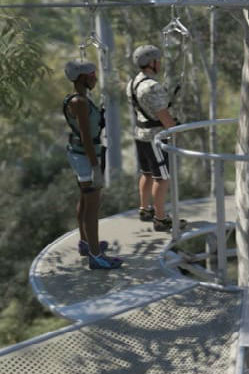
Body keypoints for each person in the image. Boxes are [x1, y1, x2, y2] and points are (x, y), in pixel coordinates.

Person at [63, 59, 122, 269]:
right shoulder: (79, 102)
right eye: (92, 74)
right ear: (82, 77)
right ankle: (96, 256)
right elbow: (87, 137)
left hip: (80, 155)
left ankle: (86, 243)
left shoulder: (79, 99)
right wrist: (95, 165)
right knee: (92, 206)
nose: (95, 78)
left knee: (84, 199)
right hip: (86, 157)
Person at [127, 45, 186, 232]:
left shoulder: (133, 83)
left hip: (140, 134)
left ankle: (145, 209)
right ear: (151, 63)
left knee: (146, 173)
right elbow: (164, 117)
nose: (159, 63)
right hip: (155, 138)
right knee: (162, 179)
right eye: (157, 60)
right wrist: (176, 128)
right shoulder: (152, 87)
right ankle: (160, 219)